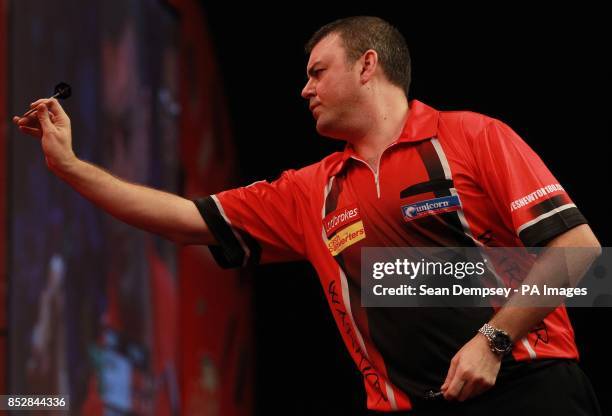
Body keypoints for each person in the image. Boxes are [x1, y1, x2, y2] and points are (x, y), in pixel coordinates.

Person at [13, 16, 602, 415]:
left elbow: (580, 251)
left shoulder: (473, 137)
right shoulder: (311, 191)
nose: (304, 89)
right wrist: (70, 168)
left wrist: (493, 341)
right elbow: (184, 220)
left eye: (317, 72)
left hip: (529, 388)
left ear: (367, 65)